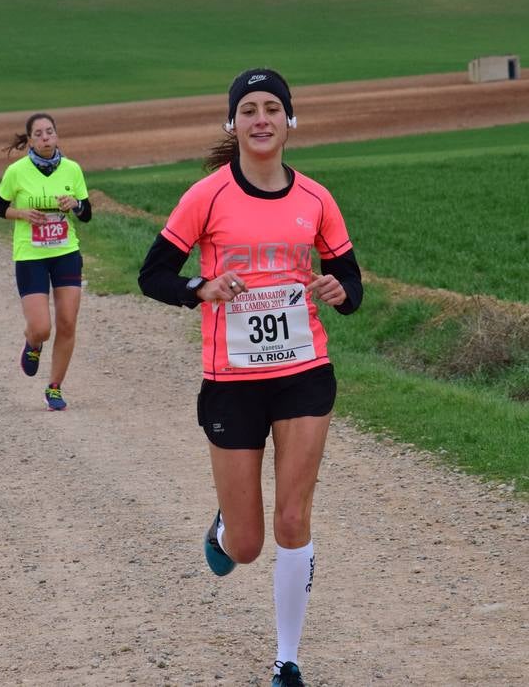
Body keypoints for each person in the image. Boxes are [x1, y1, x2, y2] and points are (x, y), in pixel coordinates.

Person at [139, 68, 363, 686]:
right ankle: (224, 524)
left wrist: (338, 290)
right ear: (231, 124)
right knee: (245, 546)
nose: (260, 118)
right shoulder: (206, 196)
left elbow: (353, 286)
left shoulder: (317, 199)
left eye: (271, 108)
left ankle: (287, 660)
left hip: (304, 373)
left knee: (294, 516)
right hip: (231, 381)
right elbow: (153, 274)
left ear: (289, 121)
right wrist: (201, 286)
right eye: (248, 110)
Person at [0, 112, 92, 411]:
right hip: (31, 255)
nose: (46, 137)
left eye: (50, 131)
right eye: (39, 134)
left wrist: (75, 204)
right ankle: (33, 343)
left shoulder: (73, 169)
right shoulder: (17, 172)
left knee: (67, 323)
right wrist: (22, 214)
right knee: (41, 327)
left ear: (57, 135)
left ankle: (55, 387)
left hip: (65, 253)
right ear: (30, 140)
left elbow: (86, 214)